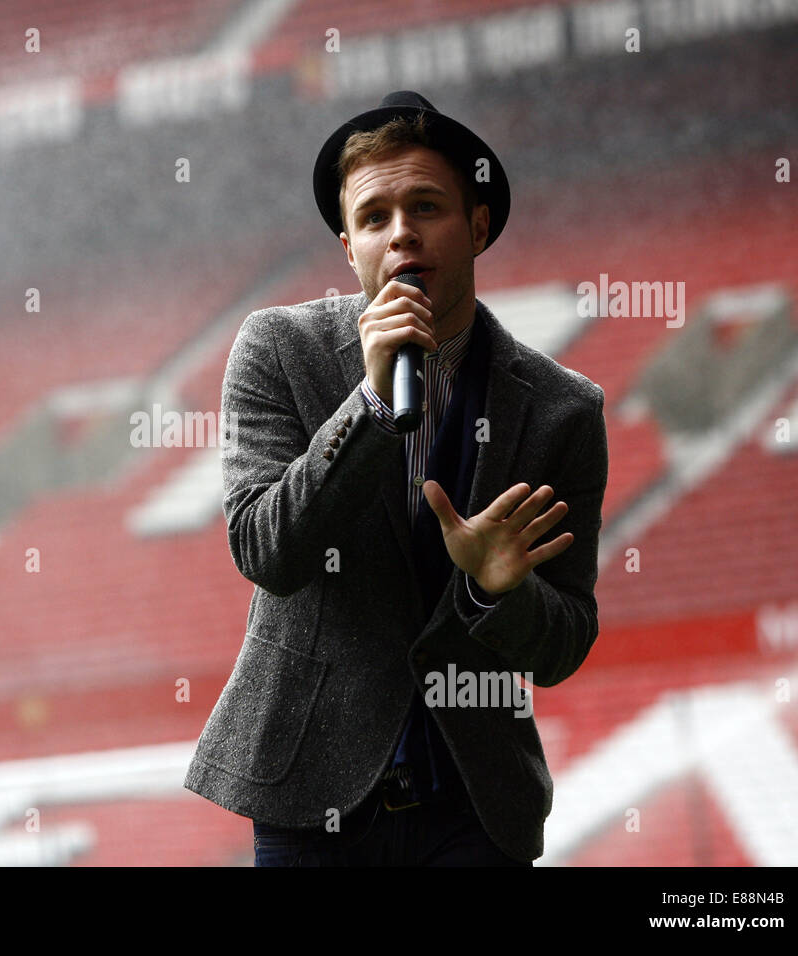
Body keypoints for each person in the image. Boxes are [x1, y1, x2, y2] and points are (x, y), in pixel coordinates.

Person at [183, 91, 608, 865]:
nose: (401, 231)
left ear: (478, 226)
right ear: (350, 247)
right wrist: (373, 405)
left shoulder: (563, 411)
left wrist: (497, 592)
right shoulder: (277, 350)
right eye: (375, 217)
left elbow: (564, 643)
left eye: (426, 206)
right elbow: (265, 551)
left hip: (475, 809)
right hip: (311, 800)